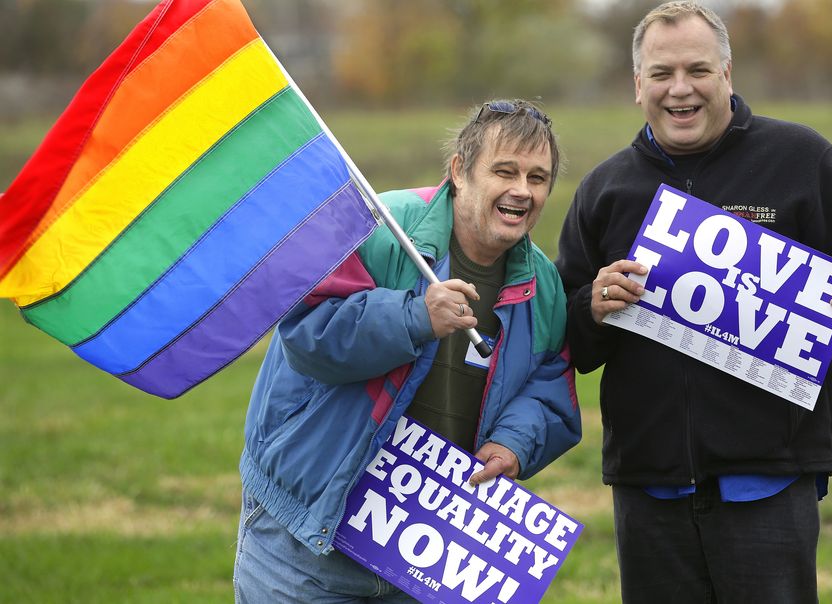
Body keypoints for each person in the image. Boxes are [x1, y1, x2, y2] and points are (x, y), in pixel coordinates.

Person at [555, 2, 832, 603]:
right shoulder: (605, 189)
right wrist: (592, 308)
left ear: (728, 73)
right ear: (637, 85)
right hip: (649, 490)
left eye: (698, 70)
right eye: (662, 73)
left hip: (771, 485)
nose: (681, 89)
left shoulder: (801, 158)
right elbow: (562, 331)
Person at [233, 99, 581, 603]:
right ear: (460, 171)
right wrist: (414, 317)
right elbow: (307, 332)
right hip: (305, 535)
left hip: (421, 547)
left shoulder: (541, 282)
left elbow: (550, 376)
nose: (521, 191)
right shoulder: (378, 224)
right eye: (504, 171)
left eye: (537, 177)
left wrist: (513, 442)